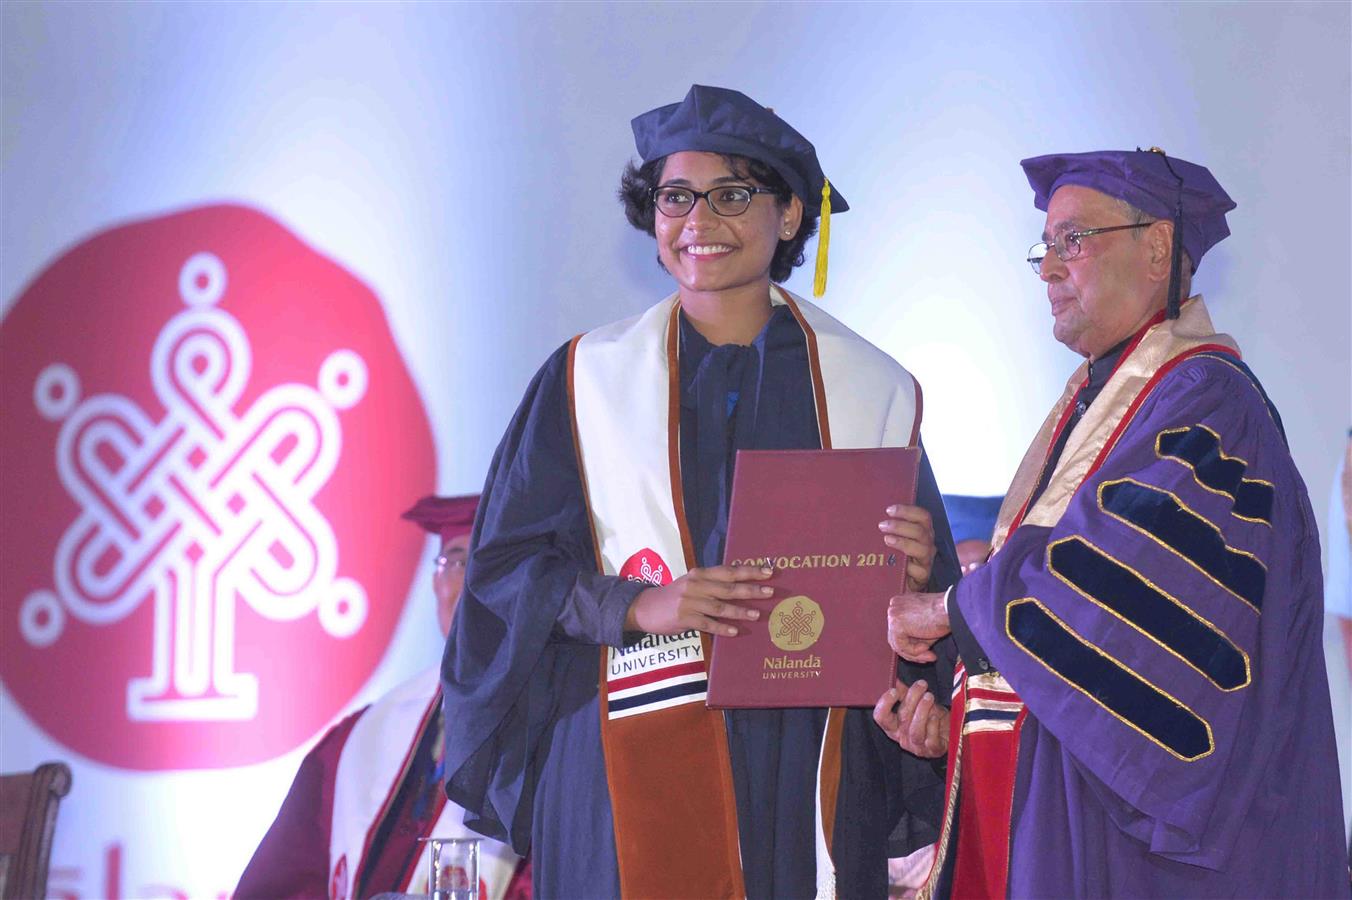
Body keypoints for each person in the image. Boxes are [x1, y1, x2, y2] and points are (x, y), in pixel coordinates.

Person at [440, 84, 960, 899]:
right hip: (629, 746)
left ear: (788, 216)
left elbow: (927, 617)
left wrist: (918, 572)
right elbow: (504, 574)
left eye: (731, 196)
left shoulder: (873, 387)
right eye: (675, 197)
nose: (697, 222)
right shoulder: (585, 381)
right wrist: (639, 606)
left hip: (811, 753)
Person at [879, 149, 1348, 897]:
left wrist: (952, 607)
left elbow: (1119, 595)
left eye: (1074, 240)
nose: (1048, 267)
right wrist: (962, 716)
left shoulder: (1208, 405)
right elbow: (1083, 655)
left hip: (1157, 860)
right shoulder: (1098, 401)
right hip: (1070, 816)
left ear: (1157, 244)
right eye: (1045, 246)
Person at [236, 495, 528, 900]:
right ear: (436, 584)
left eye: (490, 562)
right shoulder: (355, 741)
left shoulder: (558, 735)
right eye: (456, 561)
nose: (470, 582)